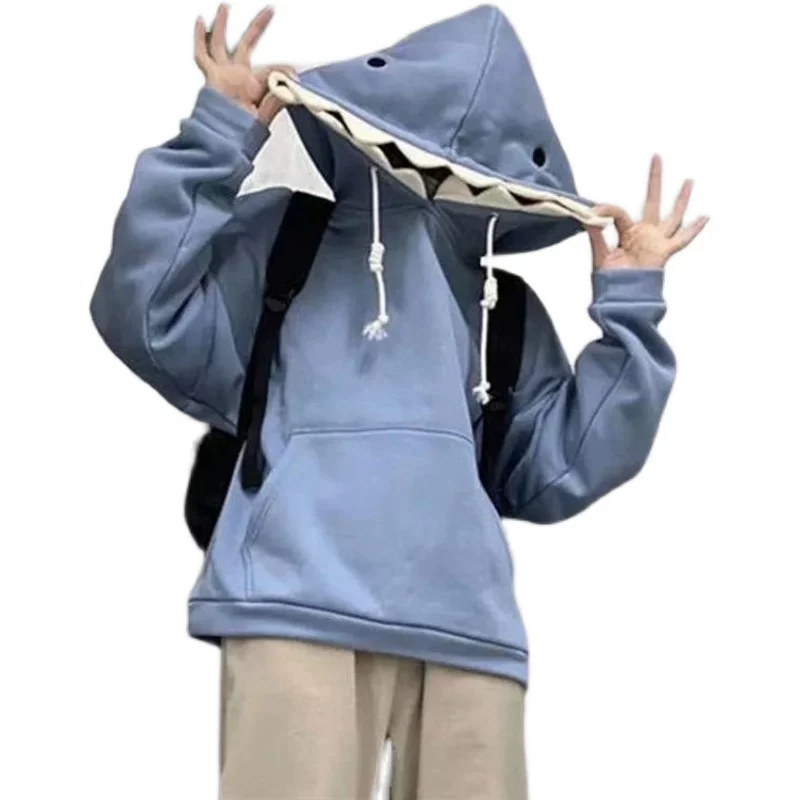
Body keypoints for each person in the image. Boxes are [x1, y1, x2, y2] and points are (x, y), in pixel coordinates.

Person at [89, 4, 708, 798]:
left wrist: (629, 308)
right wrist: (217, 136)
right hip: (294, 604)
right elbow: (143, 311)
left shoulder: (502, 310)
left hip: (466, 627)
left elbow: (562, 467)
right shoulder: (284, 243)